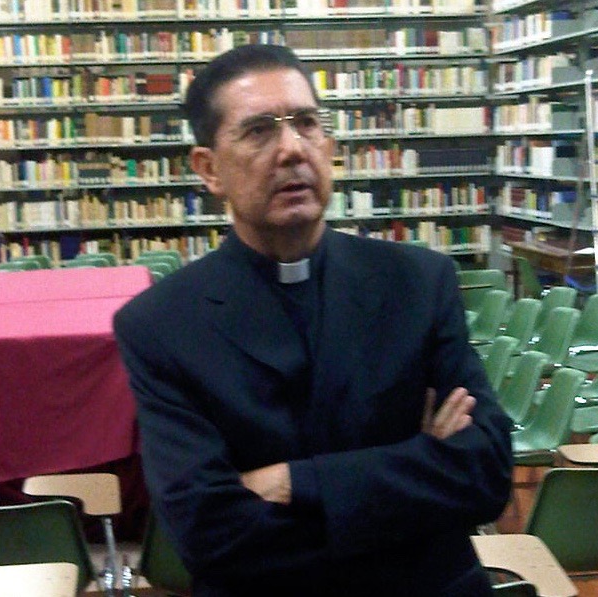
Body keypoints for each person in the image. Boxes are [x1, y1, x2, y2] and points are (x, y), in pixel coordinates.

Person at [113, 44, 513, 597]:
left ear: (330, 145)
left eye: (306, 123)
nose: (292, 149)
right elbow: (209, 533)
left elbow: (486, 473)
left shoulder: (419, 283)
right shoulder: (160, 325)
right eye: (259, 131)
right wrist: (417, 470)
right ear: (208, 169)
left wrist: (293, 481)